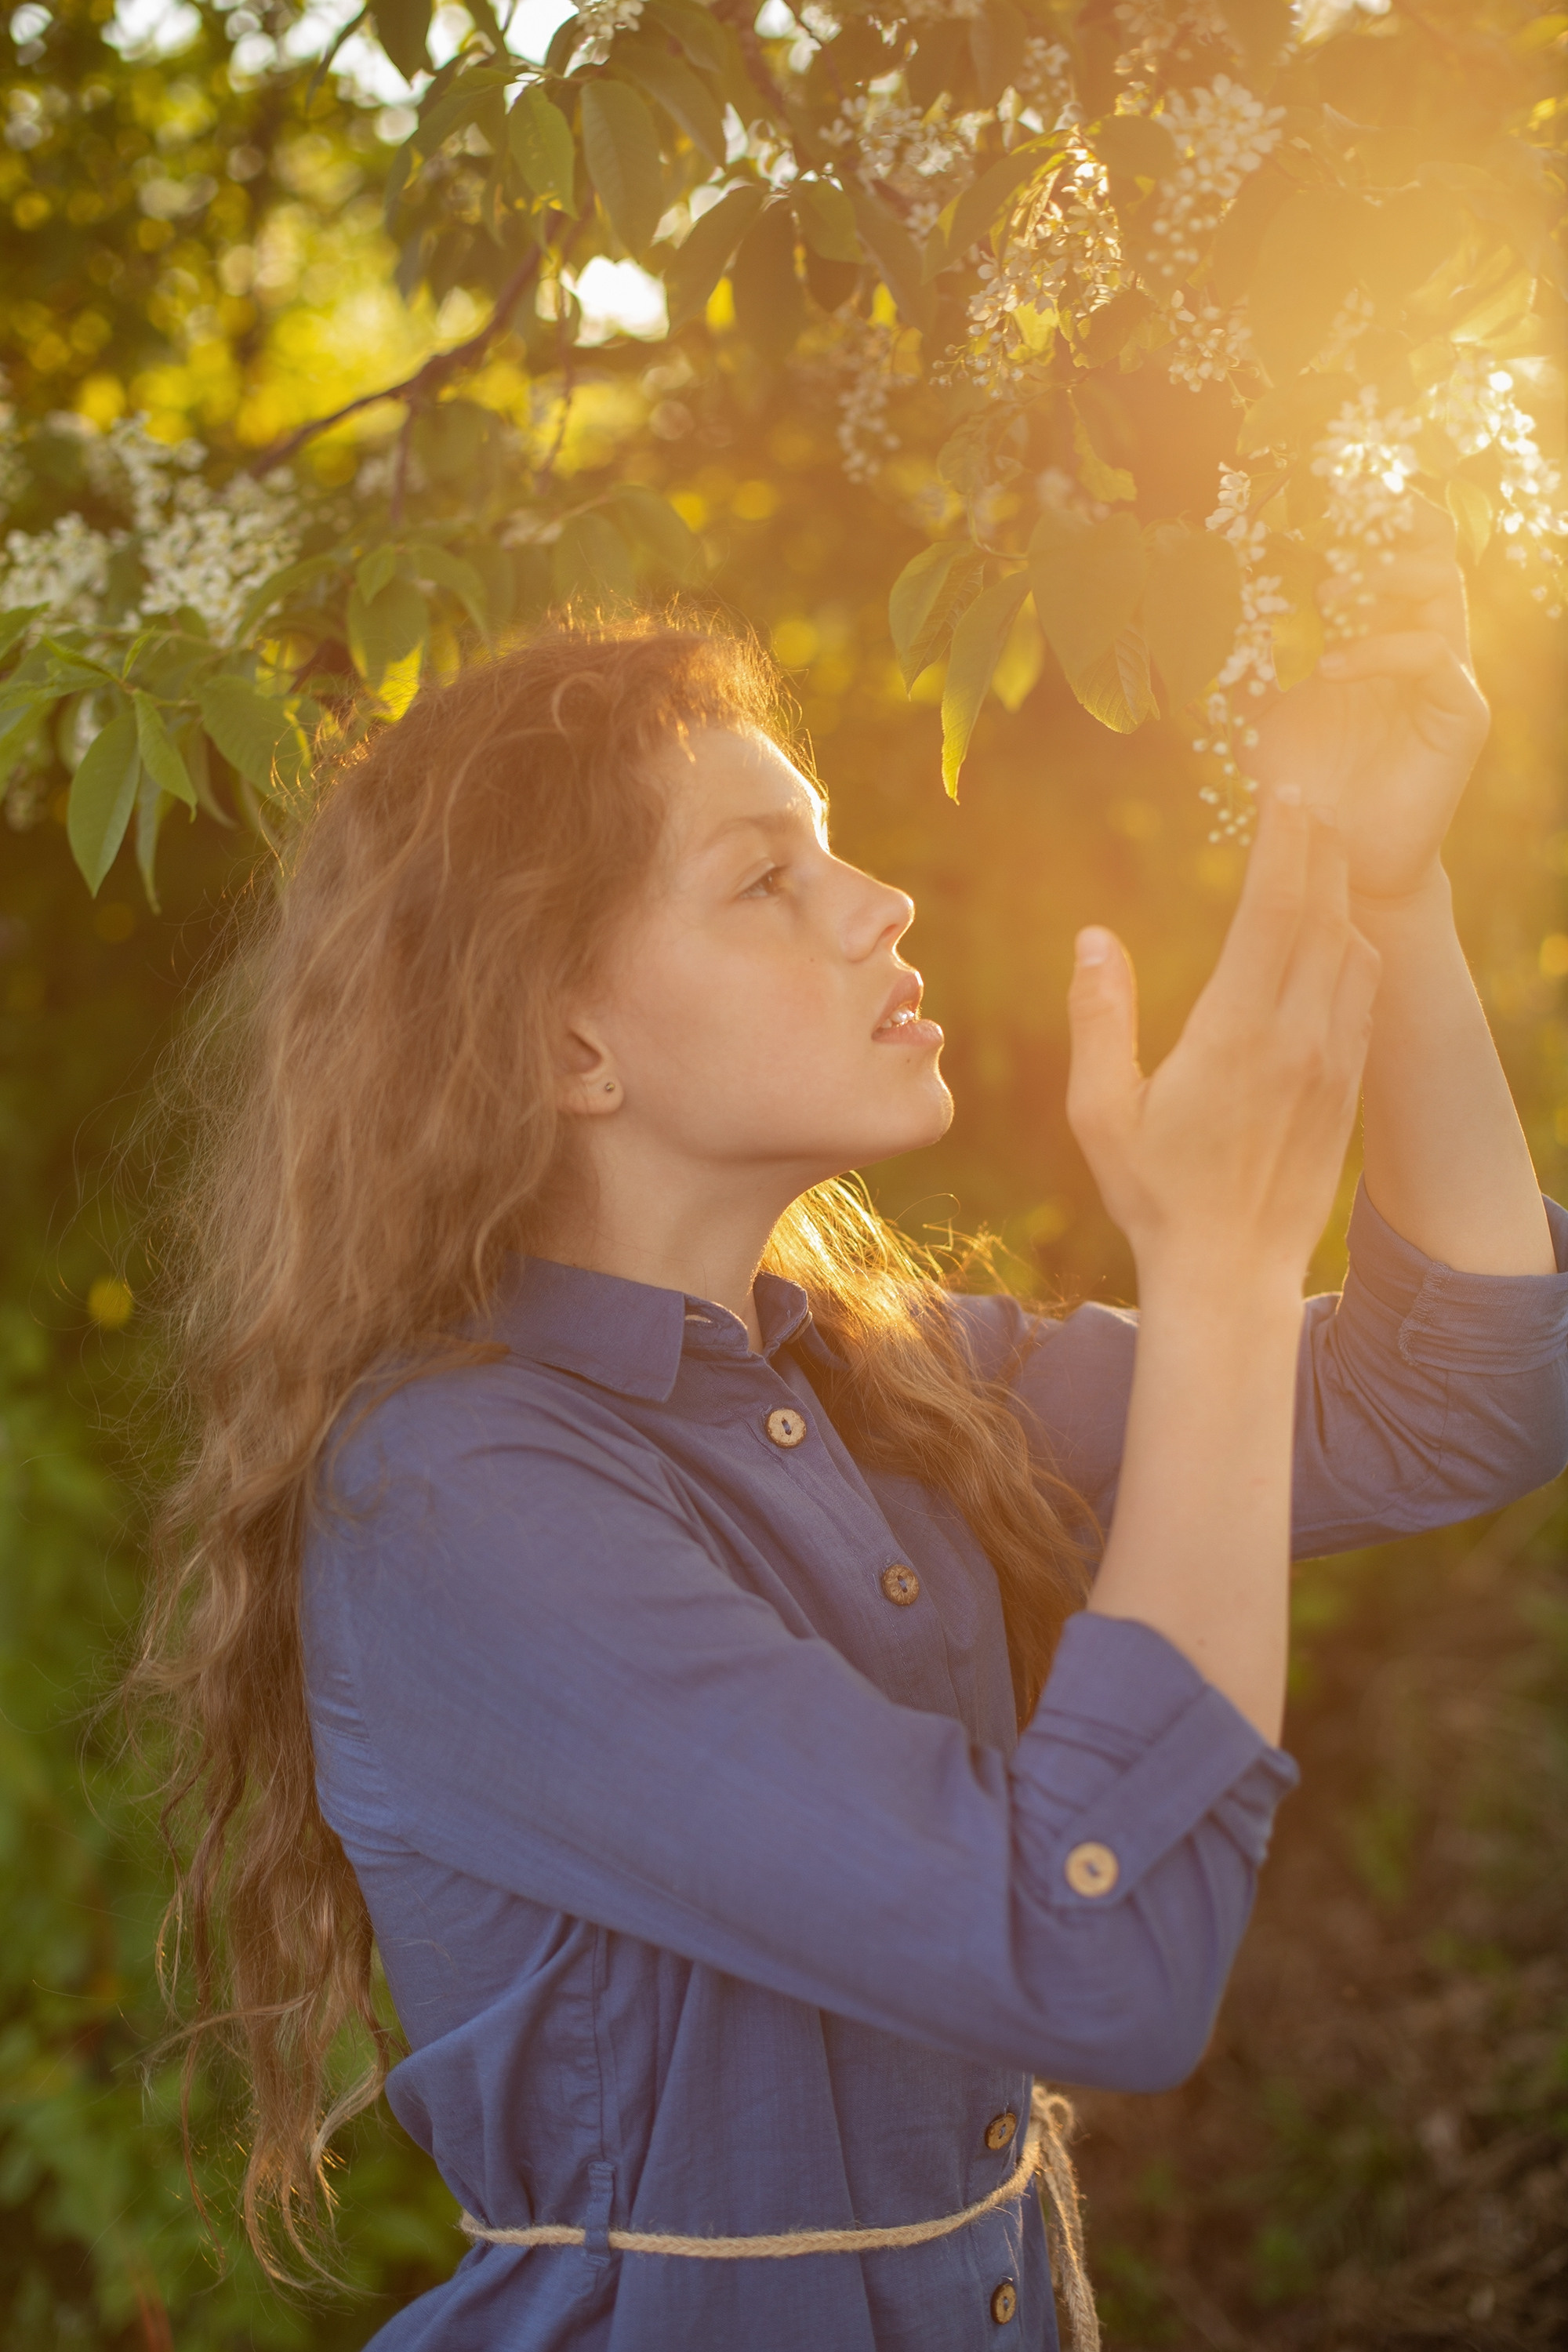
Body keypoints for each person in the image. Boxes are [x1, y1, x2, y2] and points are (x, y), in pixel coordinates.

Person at [135, 514, 1568, 2352]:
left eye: (831, 852)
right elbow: (1092, 1958)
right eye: (765, 880)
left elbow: (1464, 1393)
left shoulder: (883, 1377)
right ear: (570, 1045)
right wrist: (1212, 1263)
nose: (877, 902)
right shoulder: (453, 1502)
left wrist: (1395, 896)